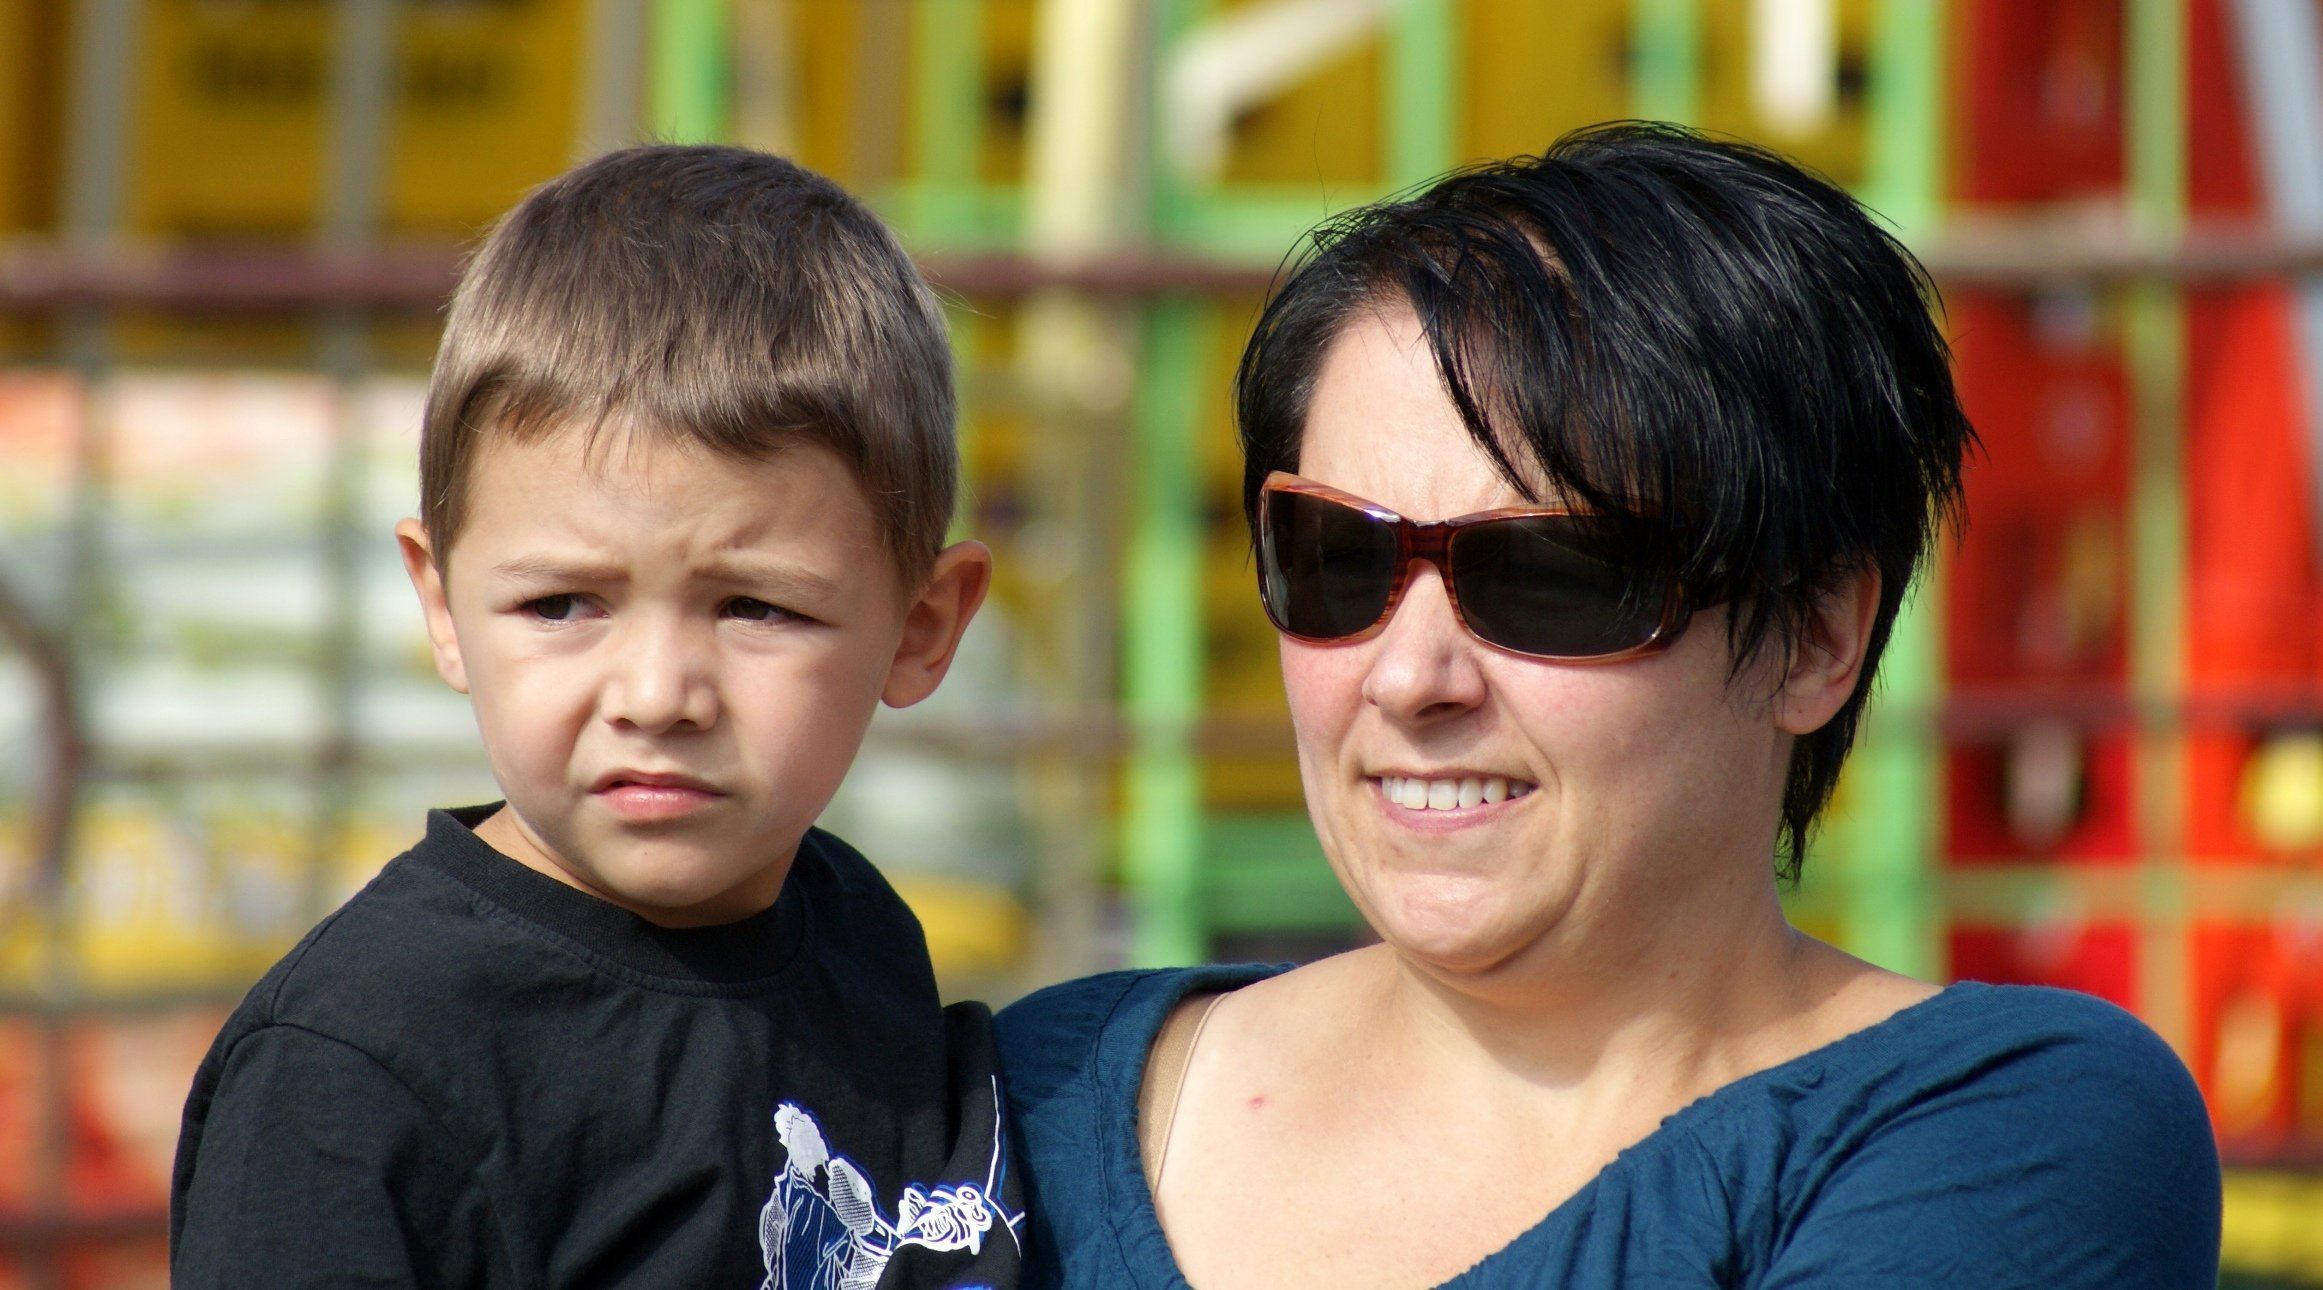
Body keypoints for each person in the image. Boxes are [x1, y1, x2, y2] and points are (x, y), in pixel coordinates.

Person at [996, 123, 2221, 1287]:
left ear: (1815, 636)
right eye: (1338, 560)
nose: (1409, 677)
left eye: (1549, 578)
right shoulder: (1028, 1101)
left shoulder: (2003, 1131)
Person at [171, 145, 1024, 1289]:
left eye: (755, 607)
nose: (656, 696)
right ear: (444, 606)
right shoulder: (353, 1072)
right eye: (563, 604)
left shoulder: (861, 941)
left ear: (921, 628)